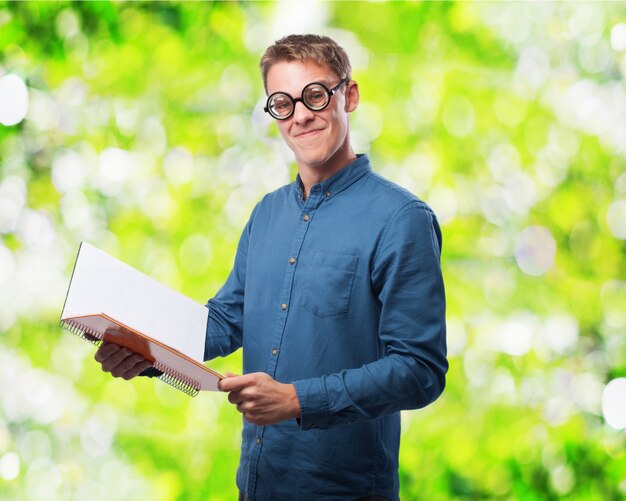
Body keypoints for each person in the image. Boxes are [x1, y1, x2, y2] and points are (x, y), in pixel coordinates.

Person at [94, 34, 448, 501]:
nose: (300, 114)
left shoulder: (402, 220)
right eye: (282, 103)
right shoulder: (266, 214)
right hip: (256, 486)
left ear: (350, 95)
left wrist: (298, 400)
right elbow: (227, 320)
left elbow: (420, 369)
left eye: (315, 95)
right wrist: (148, 351)